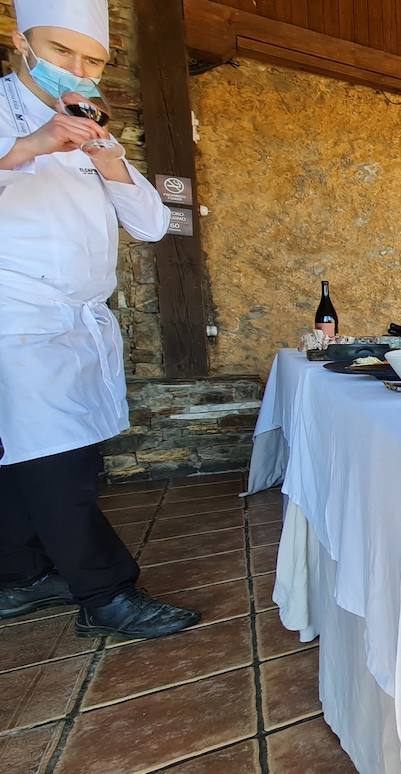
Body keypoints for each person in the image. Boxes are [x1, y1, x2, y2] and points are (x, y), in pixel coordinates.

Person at [0, 0, 199, 638]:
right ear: (23, 42)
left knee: (37, 458)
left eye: (93, 59)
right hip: (18, 318)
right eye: (62, 51)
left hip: (78, 321)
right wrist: (30, 147)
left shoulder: (88, 125)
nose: (78, 68)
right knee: (58, 463)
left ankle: (21, 576)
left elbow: (151, 223)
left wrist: (112, 161)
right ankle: (106, 594)